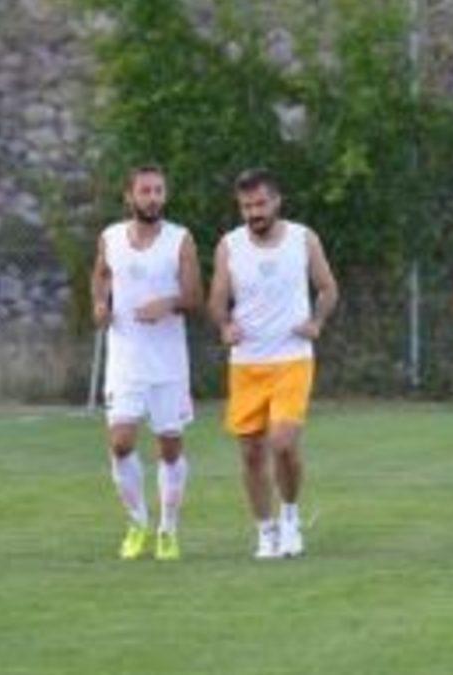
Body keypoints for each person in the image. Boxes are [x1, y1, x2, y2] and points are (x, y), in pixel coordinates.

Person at [208, 168, 339, 559]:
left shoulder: (303, 239)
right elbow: (217, 299)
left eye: (261, 204)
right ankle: (265, 531)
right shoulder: (230, 246)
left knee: (282, 443)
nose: (255, 213)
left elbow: (328, 288)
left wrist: (317, 321)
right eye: (247, 206)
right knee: (251, 452)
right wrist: (225, 325)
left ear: (277, 201)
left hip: (291, 358)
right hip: (246, 363)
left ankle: (291, 517)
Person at [91, 164, 201, 561]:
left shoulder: (180, 239)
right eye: (145, 191)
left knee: (169, 447)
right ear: (130, 196)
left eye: (158, 191)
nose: (153, 198)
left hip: (168, 363)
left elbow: (195, 297)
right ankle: (137, 522)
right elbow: (100, 275)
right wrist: (100, 304)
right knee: (120, 443)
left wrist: (167, 303)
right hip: (125, 360)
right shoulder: (111, 238)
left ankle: (168, 529)